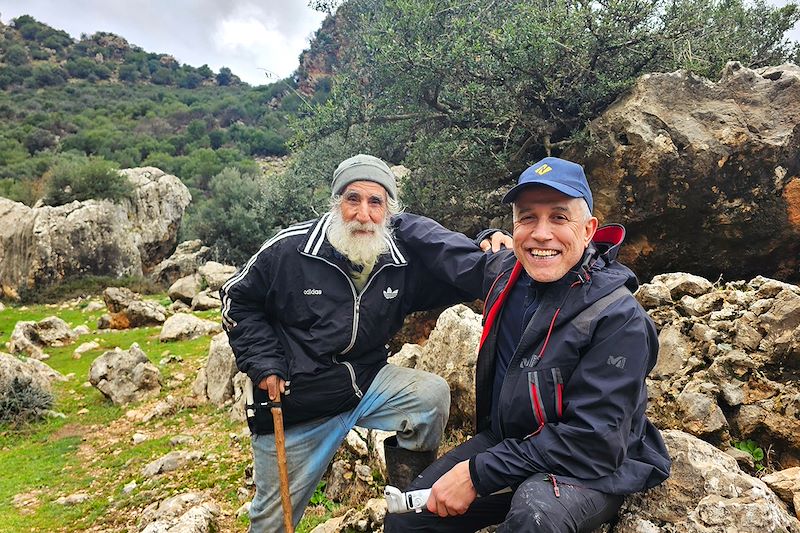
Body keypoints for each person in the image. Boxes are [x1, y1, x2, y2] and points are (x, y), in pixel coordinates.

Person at [220, 154, 511, 532]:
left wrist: (484, 243)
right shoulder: (290, 251)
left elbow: (453, 274)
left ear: (389, 210)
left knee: (430, 397)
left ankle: (408, 511)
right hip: (297, 400)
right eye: (352, 199)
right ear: (335, 202)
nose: (363, 213)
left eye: (376, 202)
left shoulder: (396, 260)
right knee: (272, 520)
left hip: (364, 383)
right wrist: (264, 362)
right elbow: (236, 298)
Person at [385, 156, 671, 532]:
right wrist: (386, 217)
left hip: (588, 466)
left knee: (533, 518)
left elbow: (595, 442)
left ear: (588, 230)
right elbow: (445, 249)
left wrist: (477, 475)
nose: (541, 233)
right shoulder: (506, 273)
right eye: (527, 218)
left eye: (558, 217)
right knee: (408, 521)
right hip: (508, 441)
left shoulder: (618, 319)